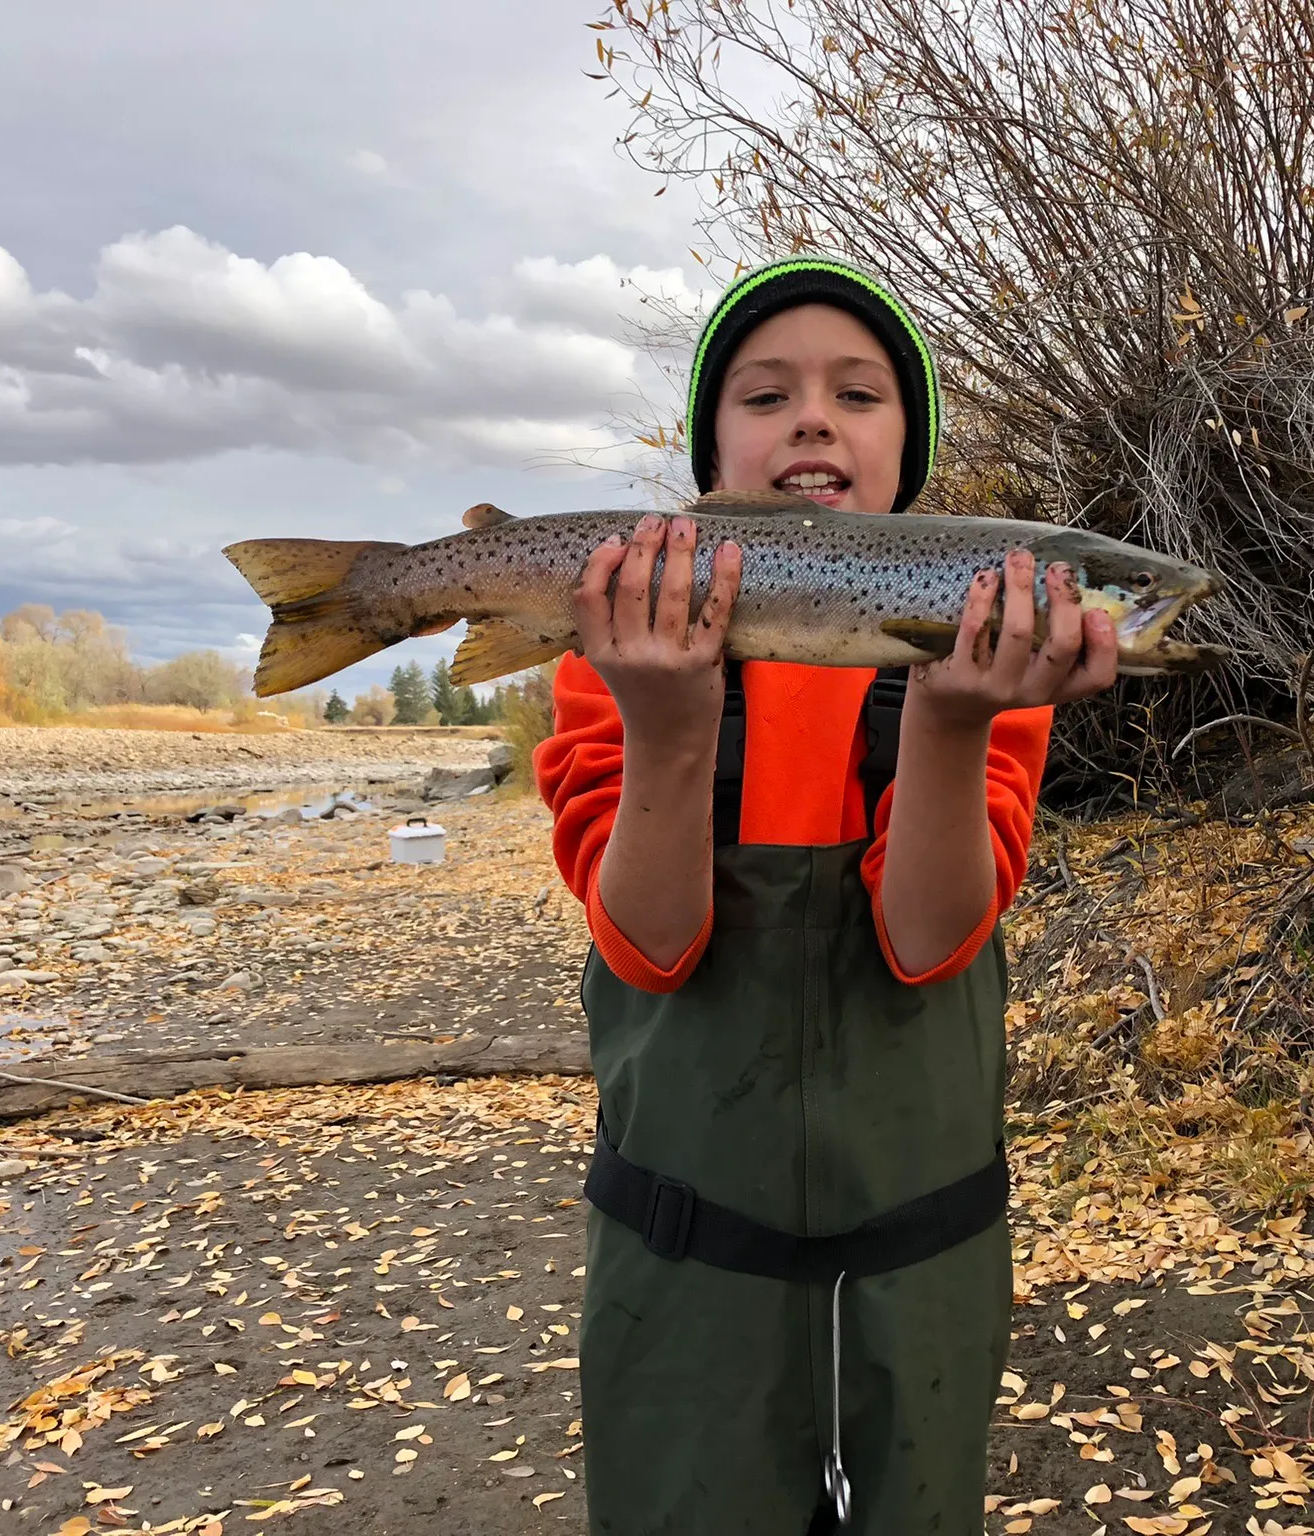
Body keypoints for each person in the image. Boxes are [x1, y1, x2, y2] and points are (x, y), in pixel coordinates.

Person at [532, 258, 1120, 1534]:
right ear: (709, 457)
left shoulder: (980, 661)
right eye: (766, 394)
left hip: (920, 1267)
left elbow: (927, 944)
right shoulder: (612, 661)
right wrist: (671, 723)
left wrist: (957, 724)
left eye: (858, 392)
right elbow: (650, 947)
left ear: (907, 453)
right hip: (681, 1276)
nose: (813, 417)